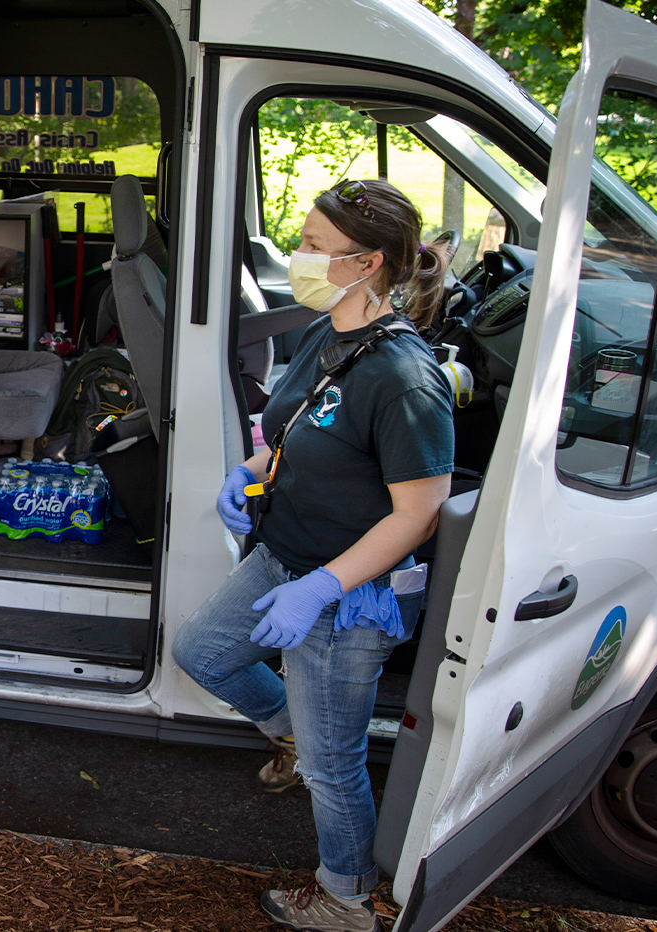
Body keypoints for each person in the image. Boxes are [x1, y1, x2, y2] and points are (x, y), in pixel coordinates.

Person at [172, 179, 454, 932]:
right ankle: (288, 728)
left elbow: (419, 513)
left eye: (311, 248)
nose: (296, 258)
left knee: (336, 766)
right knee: (202, 652)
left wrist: (321, 587)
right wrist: (253, 473)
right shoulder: (326, 334)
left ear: (367, 265)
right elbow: (294, 434)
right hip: (284, 554)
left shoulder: (404, 378)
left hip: (346, 590)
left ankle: (346, 898)